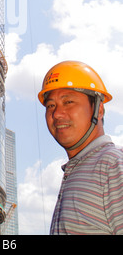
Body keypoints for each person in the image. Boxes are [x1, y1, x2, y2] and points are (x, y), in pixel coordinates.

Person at [38, 60, 123, 235]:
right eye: (51, 105)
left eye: (68, 101)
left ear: (98, 109)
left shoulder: (113, 166)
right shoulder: (77, 171)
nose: (57, 113)